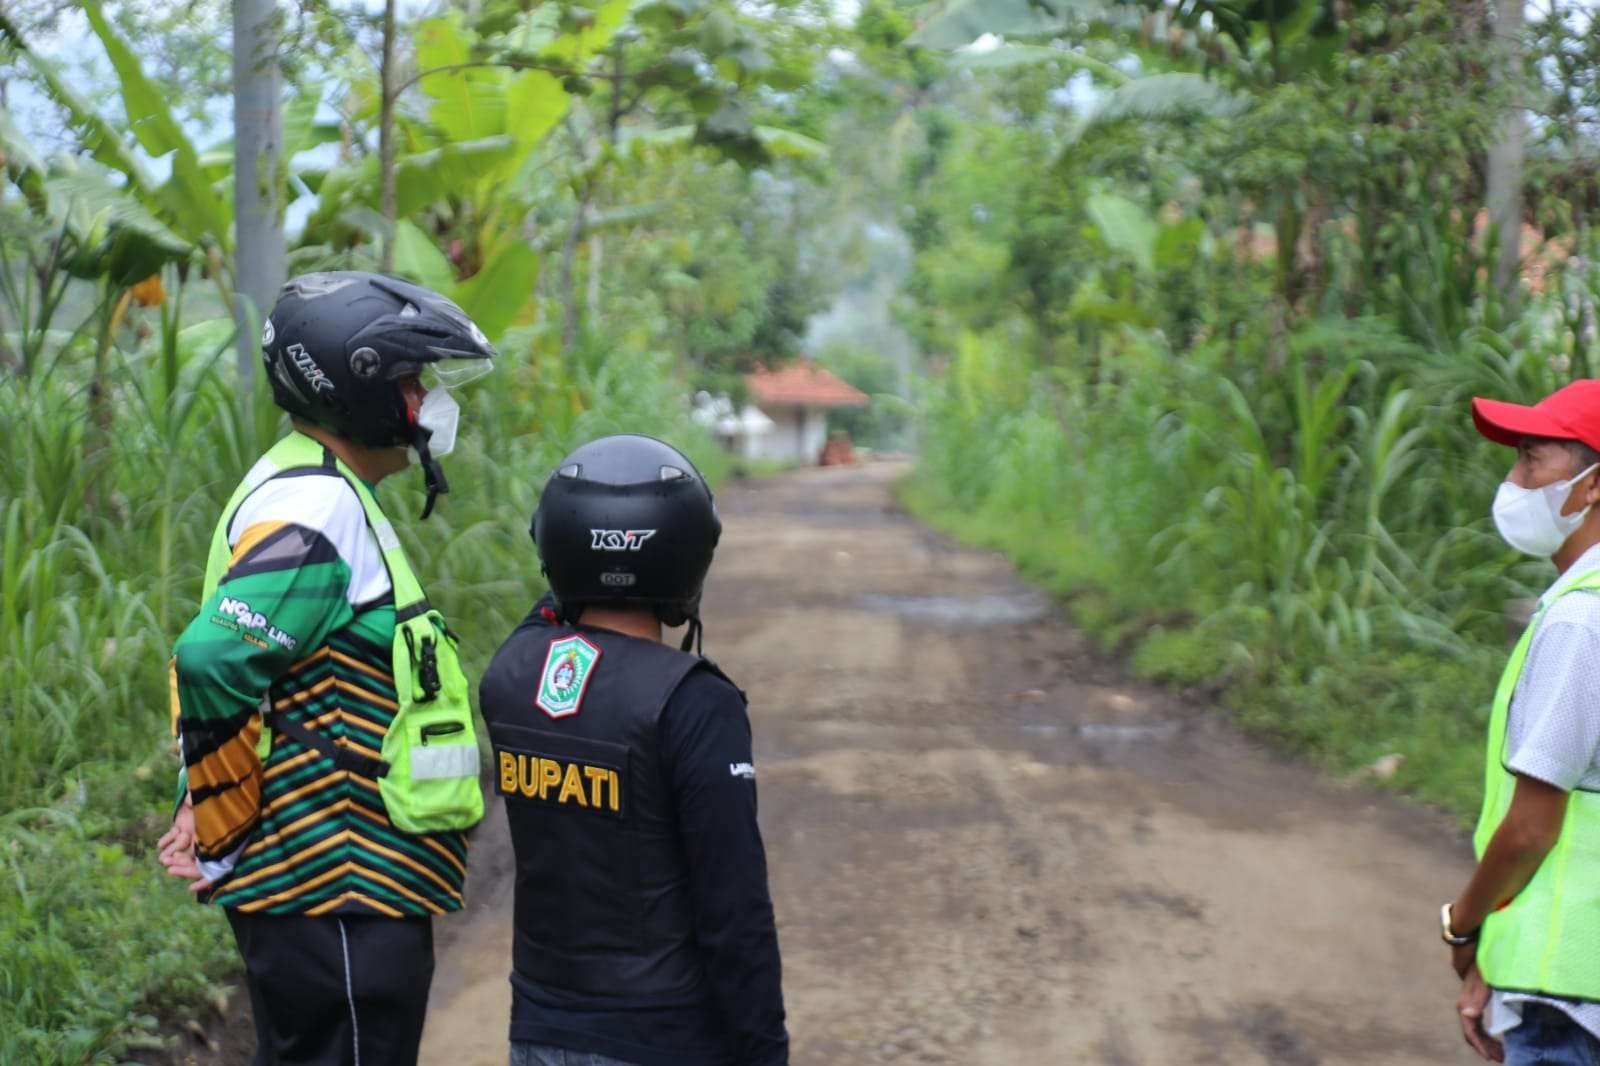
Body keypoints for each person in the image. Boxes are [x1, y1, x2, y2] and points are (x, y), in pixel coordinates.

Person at [156, 271, 494, 1065]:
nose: (427, 404)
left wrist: (202, 793)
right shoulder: (318, 511)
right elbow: (213, 655)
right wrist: (220, 821)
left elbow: (255, 676)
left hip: (336, 883)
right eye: (413, 383)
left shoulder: (309, 485)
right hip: (334, 881)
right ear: (363, 389)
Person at [479, 434, 790, 1066]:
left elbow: (549, 609)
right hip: (662, 1035)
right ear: (687, 561)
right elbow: (734, 912)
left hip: (539, 1027)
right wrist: (765, 1051)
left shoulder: (510, 675)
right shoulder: (694, 702)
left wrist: (582, 554)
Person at [1447, 380, 1600, 1065]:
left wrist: (1464, 925)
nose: (1513, 481)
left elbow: (1532, 829)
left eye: (1532, 460)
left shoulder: (1580, 619)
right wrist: (1499, 961)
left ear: (1593, 487)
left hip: (1571, 1002)